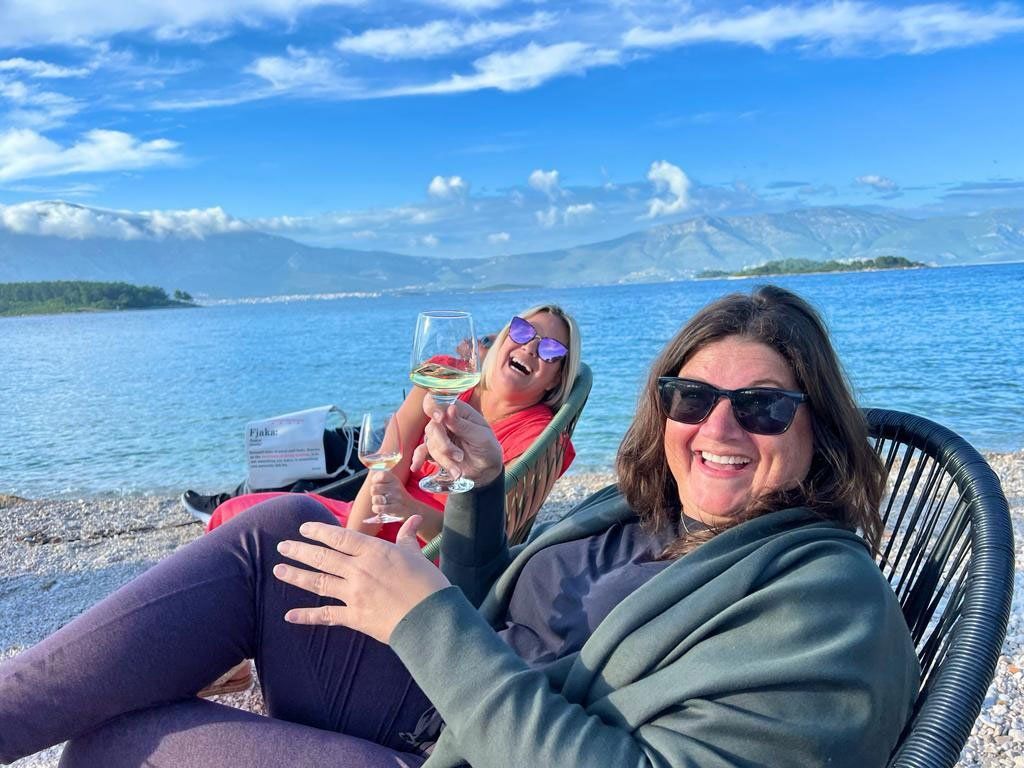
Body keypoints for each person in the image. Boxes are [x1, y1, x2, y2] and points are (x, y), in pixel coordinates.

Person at [0, 285, 920, 768]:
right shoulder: (660, 514)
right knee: (274, 534)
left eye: (761, 408)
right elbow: (517, 602)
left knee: (115, 740)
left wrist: (423, 618)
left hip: (469, 741)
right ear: (661, 406)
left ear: (820, 426)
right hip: (461, 688)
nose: (717, 429)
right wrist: (478, 496)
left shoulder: (825, 601)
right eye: (692, 397)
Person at [202, 309, 578, 546]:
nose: (531, 348)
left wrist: (403, 510)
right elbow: (386, 469)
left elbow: (482, 539)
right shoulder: (444, 375)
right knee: (232, 514)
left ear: (554, 380)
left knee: (253, 533)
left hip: (423, 552)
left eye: (550, 351)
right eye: (524, 332)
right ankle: (232, 669)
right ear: (503, 338)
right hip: (366, 520)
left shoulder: (541, 439)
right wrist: (351, 543)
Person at [180, 334, 500, 522]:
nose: (472, 344)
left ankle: (228, 503)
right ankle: (234, 497)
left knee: (317, 455)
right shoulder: (461, 377)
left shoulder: (476, 395)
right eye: (482, 338)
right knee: (317, 443)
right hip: (389, 441)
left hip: (392, 469)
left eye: (486, 340)